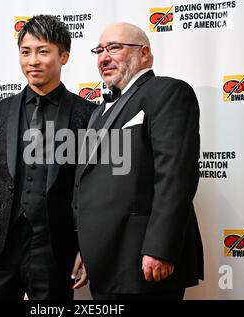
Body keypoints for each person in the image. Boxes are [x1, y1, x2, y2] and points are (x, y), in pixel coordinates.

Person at [0, 15, 94, 300]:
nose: (33, 61)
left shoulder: (87, 115)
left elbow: (93, 191)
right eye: (25, 52)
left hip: (55, 249)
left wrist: (87, 247)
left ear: (64, 56)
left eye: (43, 51)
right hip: (0, 246)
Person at [72, 22, 204, 300]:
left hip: (144, 263)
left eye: (114, 48)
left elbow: (176, 177)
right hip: (104, 261)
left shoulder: (167, 92)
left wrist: (160, 247)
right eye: (99, 50)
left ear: (144, 54)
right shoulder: (98, 112)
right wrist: (86, 248)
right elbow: (89, 182)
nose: (104, 57)